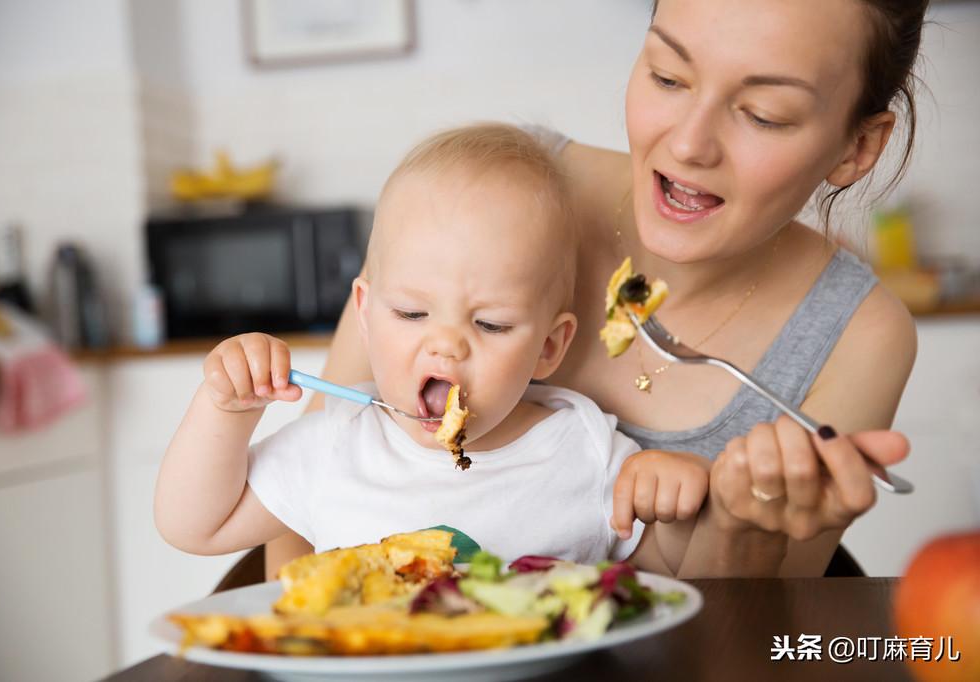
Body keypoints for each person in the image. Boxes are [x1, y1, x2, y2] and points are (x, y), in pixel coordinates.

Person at [266, 0, 927, 579]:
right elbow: (302, 506)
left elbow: (761, 627)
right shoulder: (488, 191)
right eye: (667, 76)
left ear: (856, 148)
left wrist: (740, 528)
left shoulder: (858, 334)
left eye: (763, 114)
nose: (689, 144)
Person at [154, 123, 710, 568]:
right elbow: (194, 526)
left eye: (490, 324)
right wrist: (226, 409)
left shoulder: (585, 450)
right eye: (412, 313)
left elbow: (664, 583)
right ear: (366, 315)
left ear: (549, 346)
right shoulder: (337, 444)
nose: (446, 346)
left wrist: (673, 511)